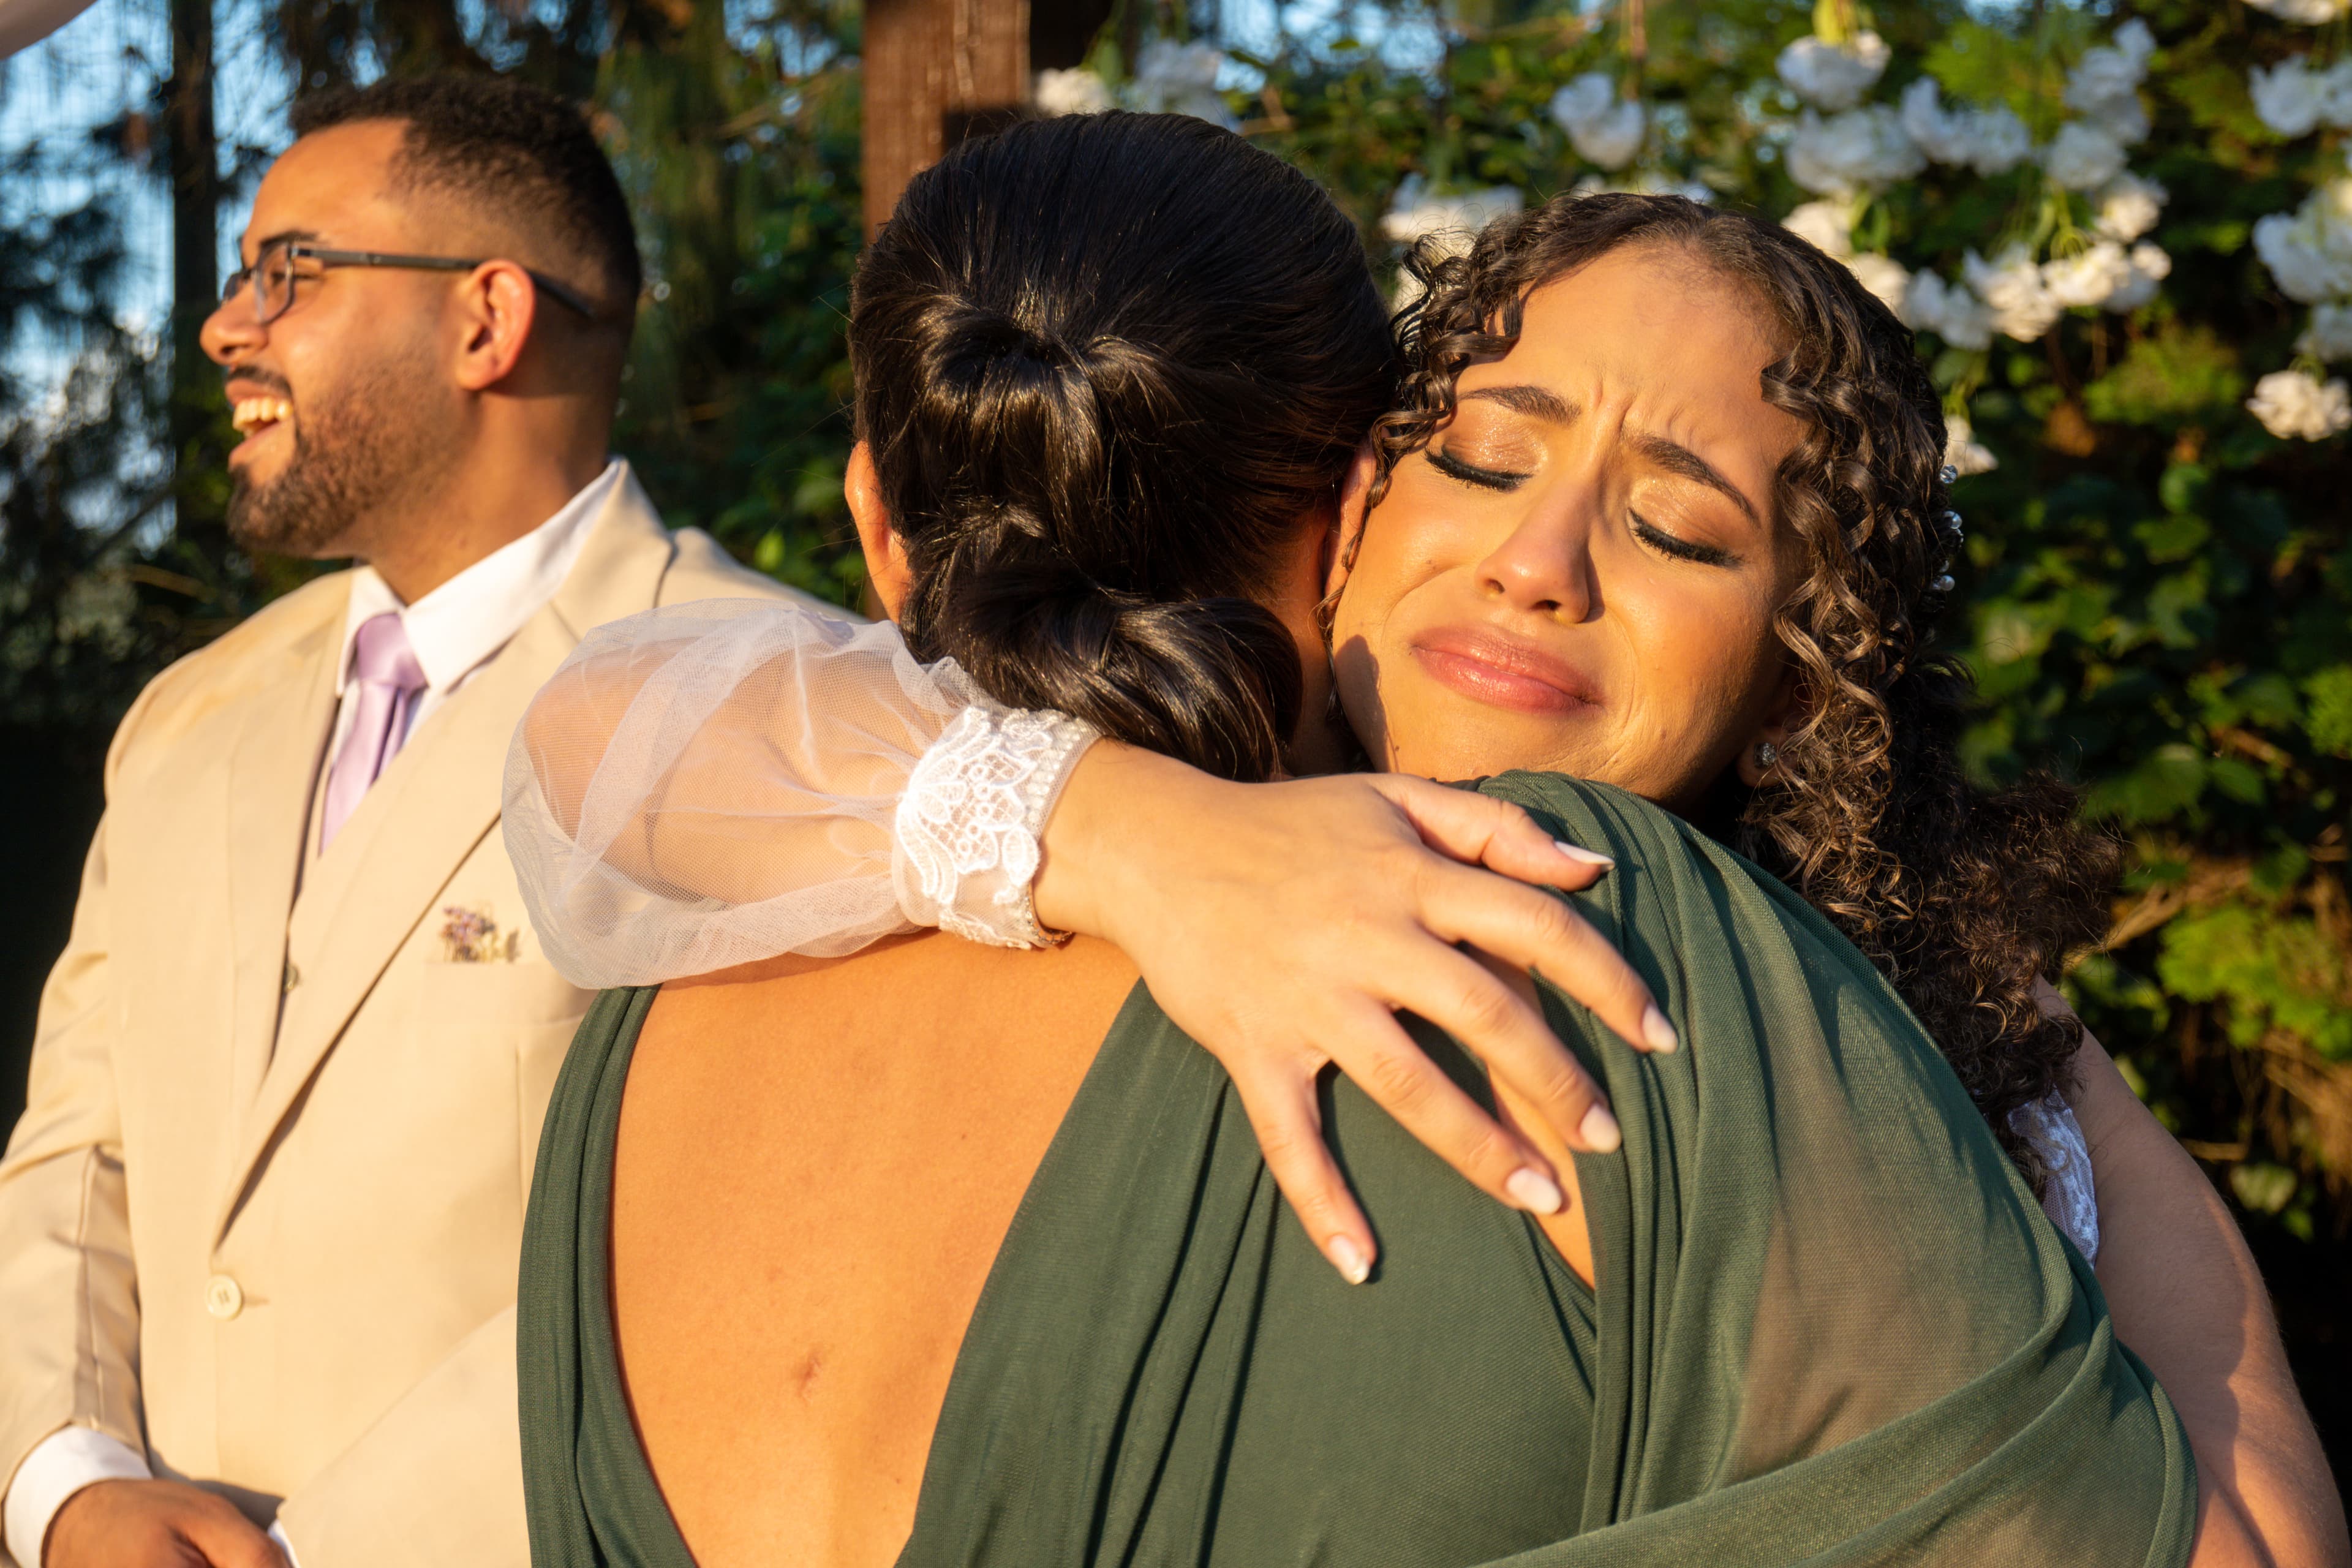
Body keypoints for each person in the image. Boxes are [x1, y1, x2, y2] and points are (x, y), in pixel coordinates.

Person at [510, 113, 2222, 1568]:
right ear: (1346, 495)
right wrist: (2050, 1078)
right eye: (1483, 459)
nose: (1546, 559)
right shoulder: (1598, 949)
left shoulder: (664, 986)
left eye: (1684, 530)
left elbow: (620, 717)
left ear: (872, 523)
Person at [0, 75, 821, 1568]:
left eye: (287, 271)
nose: (224, 327)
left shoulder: (771, 693)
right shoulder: (187, 716)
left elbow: (752, 1253)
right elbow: (77, 1147)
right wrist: (67, 1479)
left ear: (485, 320)